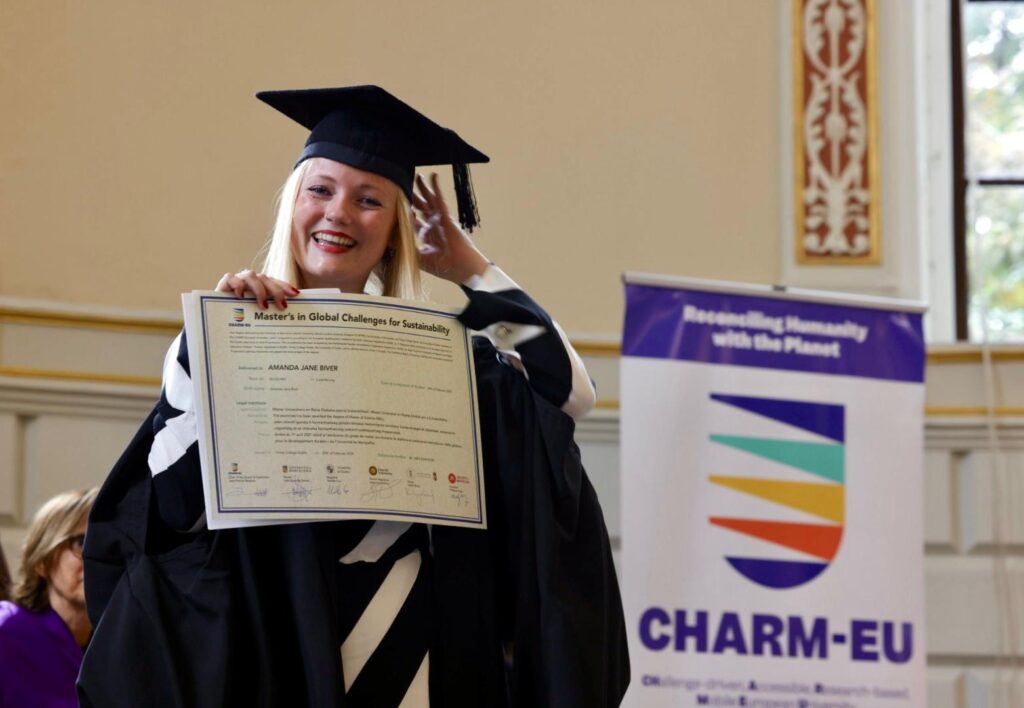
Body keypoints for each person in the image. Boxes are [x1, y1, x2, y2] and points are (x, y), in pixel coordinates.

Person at [79, 85, 629, 707]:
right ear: (293, 206)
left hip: (421, 644)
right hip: (279, 639)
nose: (340, 213)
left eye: (369, 200)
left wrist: (471, 270)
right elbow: (175, 508)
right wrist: (227, 355)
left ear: (396, 231)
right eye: (321, 190)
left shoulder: (437, 353)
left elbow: (568, 392)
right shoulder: (219, 334)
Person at [0, 488, 98, 708]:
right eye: (82, 543)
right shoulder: (7, 632)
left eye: (109, 544)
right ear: (42, 562)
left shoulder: (120, 647)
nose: (98, 557)